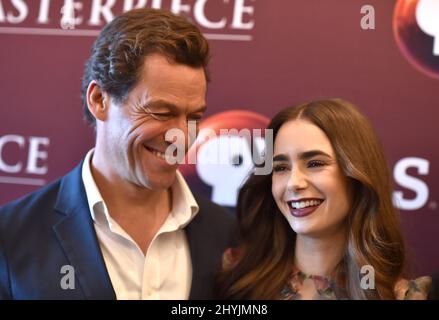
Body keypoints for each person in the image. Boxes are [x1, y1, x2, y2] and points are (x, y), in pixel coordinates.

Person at [0, 8, 235, 300]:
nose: (182, 136)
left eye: (194, 117)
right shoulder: (10, 237)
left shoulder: (227, 234)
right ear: (99, 100)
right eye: (162, 112)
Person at [216, 99, 431, 299]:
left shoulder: (401, 295)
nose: (293, 183)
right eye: (280, 167)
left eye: (315, 164)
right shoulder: (236, 276)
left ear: (357, 174)